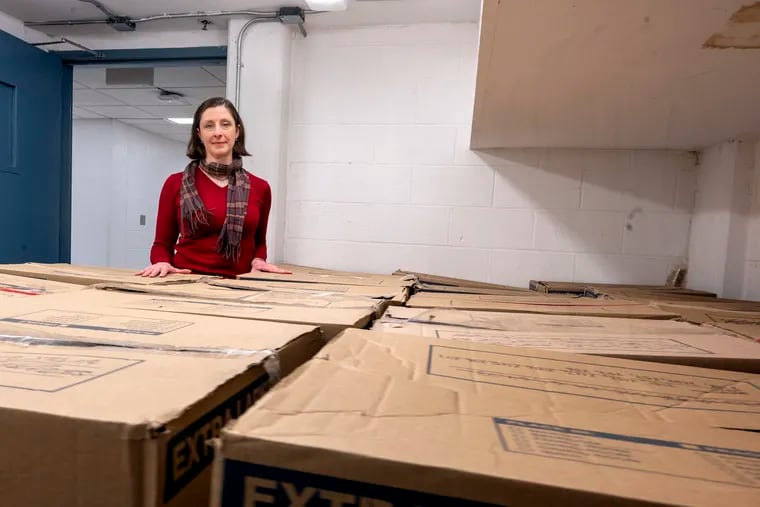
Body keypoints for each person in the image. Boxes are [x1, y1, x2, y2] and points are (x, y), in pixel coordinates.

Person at [138, 97, 291, 278]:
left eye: (225, 124)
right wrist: (162, 262)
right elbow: (162, 244)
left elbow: (259, 242)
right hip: (186, 284)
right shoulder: (175, 184)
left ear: (237, 132)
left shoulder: (260, 187)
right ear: (199, 134)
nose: (218, 132)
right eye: (209, 126)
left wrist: (259, 260)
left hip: (239, 287)